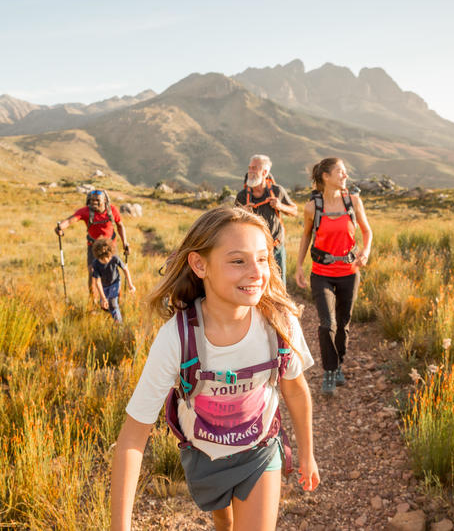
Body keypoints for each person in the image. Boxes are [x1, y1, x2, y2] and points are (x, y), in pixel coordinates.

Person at [111, 207, 320, 531]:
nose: (257, 273)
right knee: (224, 520)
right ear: (199, 264)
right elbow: (133, 437)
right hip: (203, 457)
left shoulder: (279, 324)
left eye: (263, 258)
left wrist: (307, 453)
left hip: (259, 450)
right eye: (238, 261)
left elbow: (294, 388)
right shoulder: (176, 339)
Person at [294, 158, 372, 397]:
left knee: (343, 325)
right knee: (327, 324)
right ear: (326, 176)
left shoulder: (353, 201)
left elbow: (367, 231)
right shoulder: (312, 207)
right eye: (340, 172)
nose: (345, 176)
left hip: (349, 273)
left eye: (345, 172)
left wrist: (365, 251)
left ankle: (338, 365)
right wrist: (299, 265)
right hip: (321, 273)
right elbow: (307, 236)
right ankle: (329, 371)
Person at [54, 189, 130, 296]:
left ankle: (116, 299)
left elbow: (120, 225)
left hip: (110, 246)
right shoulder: (85, 211)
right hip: (93, 247)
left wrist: (125, 243)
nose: (94, 202)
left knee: (113, 272)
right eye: (92, 200)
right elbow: (70, 220)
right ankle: (93, 301)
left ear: (105, 201)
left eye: (97, 200)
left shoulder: (112, 210)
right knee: (92, 273)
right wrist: (60, 227)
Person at [235, 154, 297, 284]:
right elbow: (232, 223)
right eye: (249, 168)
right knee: (256, 284)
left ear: (265, 172)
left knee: (279, 285)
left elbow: (294, 211)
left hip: (276, 248)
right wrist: (242, 213)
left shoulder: (277, 191)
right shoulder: (242, 196)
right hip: (252, 250)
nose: (250, 172)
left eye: (254, 168)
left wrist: (280, 206)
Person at [90, 237, 135, 323]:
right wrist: (103, 298)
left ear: (111, 253)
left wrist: (130, 285)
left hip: (115, 282)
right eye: (102, 259)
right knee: (104, 305)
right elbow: (98, 282)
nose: (106, 260)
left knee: (113, 302)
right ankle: (113, 314)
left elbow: (125, 269)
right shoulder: (95, 264)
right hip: (104, 286)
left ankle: (119, 324)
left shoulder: (115, 258)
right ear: (98, 256)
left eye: (108, 257)